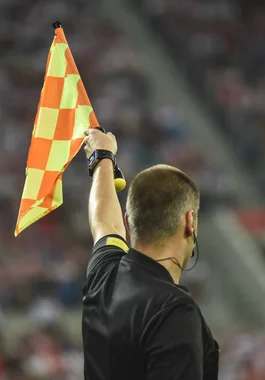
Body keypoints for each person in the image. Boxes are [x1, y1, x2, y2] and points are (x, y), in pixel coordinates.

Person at [80, 128, 219, 380]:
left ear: (128, 223)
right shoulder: (174, 311)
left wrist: (102, 158)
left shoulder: (104, 276)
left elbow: (104, 223)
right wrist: (102, 159)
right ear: (190, 222)